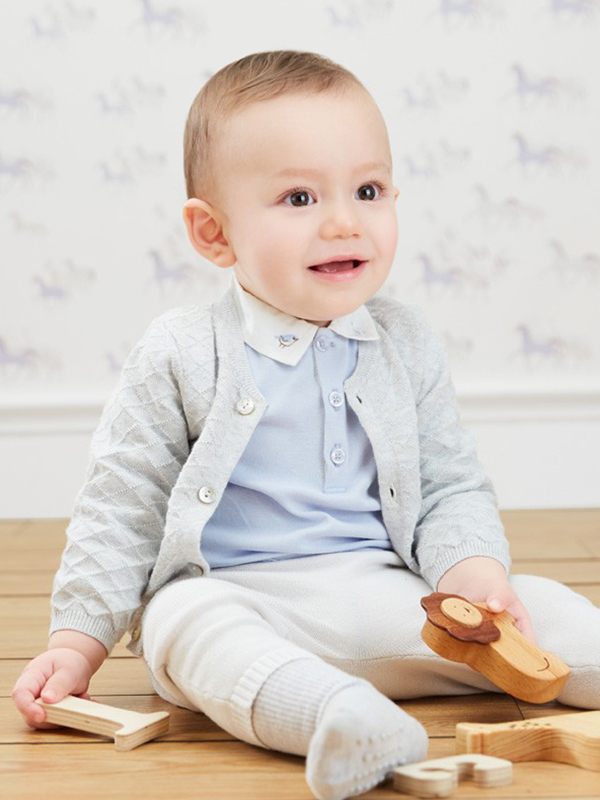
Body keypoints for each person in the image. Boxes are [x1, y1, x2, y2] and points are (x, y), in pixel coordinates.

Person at [12, 50, 600, 800]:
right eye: (299, 197)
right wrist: (78, 641)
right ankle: (341, 719)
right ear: (214, 233)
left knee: (542, 605)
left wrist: (473, 579)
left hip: (397, 602)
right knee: (183, 625)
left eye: (368, 190)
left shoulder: (405, 342)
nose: (345, 221)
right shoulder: (181, 352)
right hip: (243, 600)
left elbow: (451, 483)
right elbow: (121, 505)